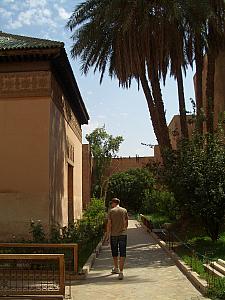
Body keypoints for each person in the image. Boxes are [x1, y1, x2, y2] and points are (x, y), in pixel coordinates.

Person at [106, 197, 128, 280]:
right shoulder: (124, 210)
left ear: (114, 203)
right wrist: (124, 230)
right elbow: (126, 222)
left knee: (114, 252)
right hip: (123, 234)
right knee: (123, 252)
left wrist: (107, 235)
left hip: (114, 235)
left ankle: (116, 268)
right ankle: (121, 272)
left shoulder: (111, 211)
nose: (111, 205)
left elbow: (109, 224)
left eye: (111, 203)